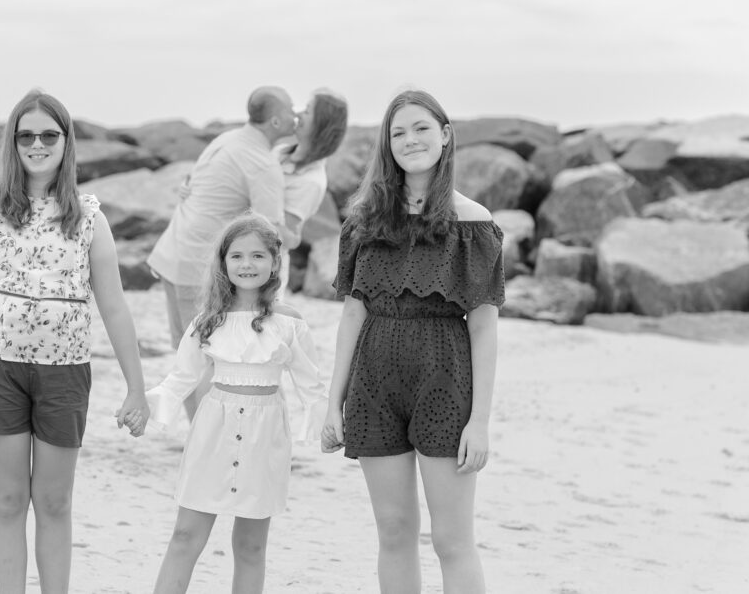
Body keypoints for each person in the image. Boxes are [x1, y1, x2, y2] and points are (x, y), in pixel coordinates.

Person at [0, 89, 149, 594]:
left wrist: (136, 388)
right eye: (26, 135)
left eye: (48, 135)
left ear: (66, 142)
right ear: (13, 144)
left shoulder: (89, 218)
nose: (37, 144)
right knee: (7, 500)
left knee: (55, 501)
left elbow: (115, 308)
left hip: (65, 374)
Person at [321, 89, 505, 594]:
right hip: (373, 385)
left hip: (445, 385)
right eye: (397, 132)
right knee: (394, 533)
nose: (410, 140)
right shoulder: (364, 220)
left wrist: (481, 422)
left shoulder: (474, 221)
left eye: (422, 128)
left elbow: (484, 327)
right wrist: (332, 404)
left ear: (446, 136)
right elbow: (352, 313)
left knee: (452, 539)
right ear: (387, 145)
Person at [145, 214, 328, 594]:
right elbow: (181, 377)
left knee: (250, 545)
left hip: (266, 439)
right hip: (213, 432)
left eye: (258, 256)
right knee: (185, 536)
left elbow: (312, 386)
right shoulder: (206, 322)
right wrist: (146, 409)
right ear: (224, 263)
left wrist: (327, 424)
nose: (247, 265)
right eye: (238, 256)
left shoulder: (290, 324)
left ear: (275, 262)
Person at [147, 86, 296, 419]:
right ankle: (204, 440)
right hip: (195, 267)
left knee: (189, 355)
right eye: (290, 110)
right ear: (275, 120)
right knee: (206, 360)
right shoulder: (261, 163)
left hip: (174, 255)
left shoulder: (227, 140)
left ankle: (201, 439)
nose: (296, 114)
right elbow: (270, 235)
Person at [272, 88, 349, 290]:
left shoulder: (312, 182)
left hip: (264, 271)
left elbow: (282, 236)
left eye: (307, 111)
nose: (298, 114)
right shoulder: (279, 152)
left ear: (320, 125)